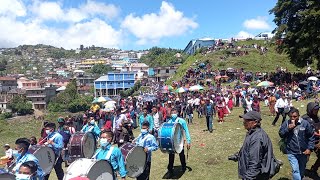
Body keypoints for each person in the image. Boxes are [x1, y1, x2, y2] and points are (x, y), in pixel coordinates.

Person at [229, 111, 275, 179]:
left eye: (247, 121)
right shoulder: (252, 133)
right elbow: (248, 150)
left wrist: (248, 177)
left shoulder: (257, 138)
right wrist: (238, 156)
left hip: (255, 176)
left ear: (255, 122)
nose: (244, 122)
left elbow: (255, 162)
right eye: (244, 120)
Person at [279, 108, 315, 180]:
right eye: (291, 117)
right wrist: (288, 129)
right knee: (295, 170)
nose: (293, 118)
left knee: (301, 170)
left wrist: (309, 148)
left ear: (299, 116)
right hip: (291, 151)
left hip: (303, 152)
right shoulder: (286, 123)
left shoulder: (305, 123)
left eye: (295, 116)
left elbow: (311, 136)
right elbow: (281, 134)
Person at [166, 108, 191, 178]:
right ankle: (170, 170)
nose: (173, 114)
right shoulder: (169, 122)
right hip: (171, 142)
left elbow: (186, 131)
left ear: (177, 113)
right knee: (171, 156)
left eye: (175, 112)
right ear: (170, 114)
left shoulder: (181, 121)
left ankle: (183, 166)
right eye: (172, 112)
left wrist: (188, 141)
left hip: (180, 141)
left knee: (181, 154)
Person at [301, 102, 320, 174]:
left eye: (317, 109)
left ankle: (314, 169)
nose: (317, 111)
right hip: (307, 141)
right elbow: (301, 130)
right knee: (305, 158)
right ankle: (301, 171)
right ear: (310, 109)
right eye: (315, 109)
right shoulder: (304, 118)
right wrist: (312, 133)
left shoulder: (318, 118)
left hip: (317, 141)